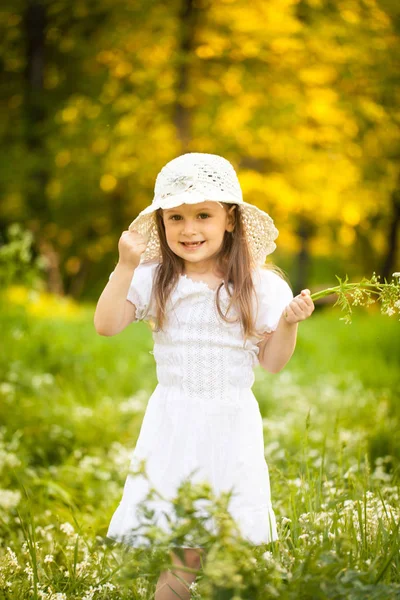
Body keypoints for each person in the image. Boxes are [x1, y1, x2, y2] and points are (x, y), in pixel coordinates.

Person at [94, 152, 315, 599]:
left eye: (202, 215)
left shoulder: (260, 285)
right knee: (188, 544)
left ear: (229, 220)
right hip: (175, 423)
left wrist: (288, 323)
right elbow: (106, 324)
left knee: (226, 540)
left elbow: (272, 363)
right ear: (161, 223)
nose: (189, 229)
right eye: (175, 217)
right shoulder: (155, 278)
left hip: (230, 424)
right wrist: (124, 267)